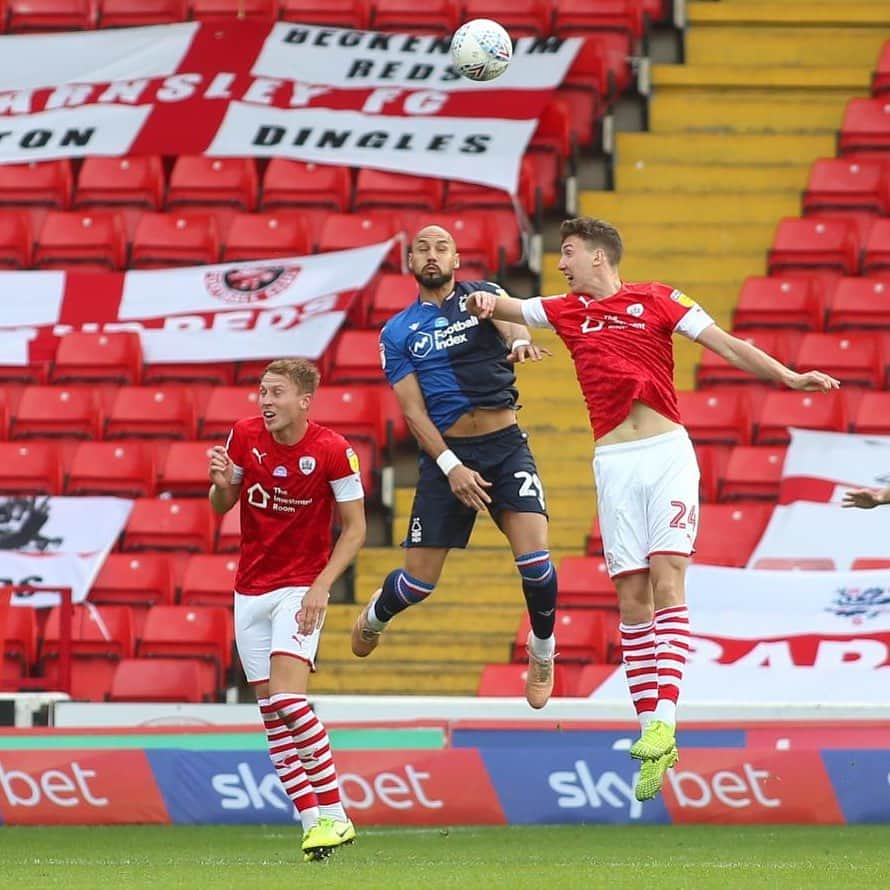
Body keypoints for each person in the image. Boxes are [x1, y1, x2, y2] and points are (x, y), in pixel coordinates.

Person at [467, 216, 841, 801]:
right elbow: (497, 305)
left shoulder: (658, 299)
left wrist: (788, 376)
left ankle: (663, 716)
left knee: (669, 582)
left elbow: (727, 344)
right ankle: (652, 735)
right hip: (614, 464)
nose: (560, 264)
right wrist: (487, 314)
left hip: (666, 453)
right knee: (631, 598)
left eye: (568, 253)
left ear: (600, 257)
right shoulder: (562, 310)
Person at [350, 224, 559, 709]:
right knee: (419, 583)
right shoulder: (398, 331)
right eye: (421, 248)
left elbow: (511, 322)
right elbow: (413, 413)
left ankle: (543, 649)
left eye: (440, 246)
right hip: (447, 457)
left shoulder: (482, 296)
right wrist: (451, 467)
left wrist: (519, 341)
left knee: (536, 560)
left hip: (505, 446)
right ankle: (377, 616)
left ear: (456, 259)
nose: (431, 254)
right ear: (409, 262)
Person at [208, 358, 366, 862]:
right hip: (249, 590)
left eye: (276, 392)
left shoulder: (333, 451)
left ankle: (337, 816)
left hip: (299, 587)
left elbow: (357, 529)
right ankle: (311, 824)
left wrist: (322, 586)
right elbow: (221, 504)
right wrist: (217, 483)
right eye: (261, 391)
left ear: (303, 400)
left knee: (290, 702)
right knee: (272, 716)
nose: (265, 401)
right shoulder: (242, 436)